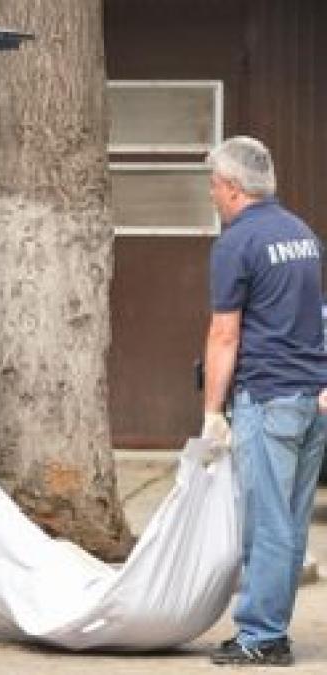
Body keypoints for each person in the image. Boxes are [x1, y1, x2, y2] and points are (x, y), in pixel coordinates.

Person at [200, 136, 327, 666]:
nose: (211, 193)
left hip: (269, 399)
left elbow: (224, 335)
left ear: (230, 186)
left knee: (266, 524)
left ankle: (261, 637)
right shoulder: (302, 234)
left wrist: (211, 413)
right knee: (290, 523)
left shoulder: (236, 242)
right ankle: (268, 627)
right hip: (307, 403)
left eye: (213, 184)